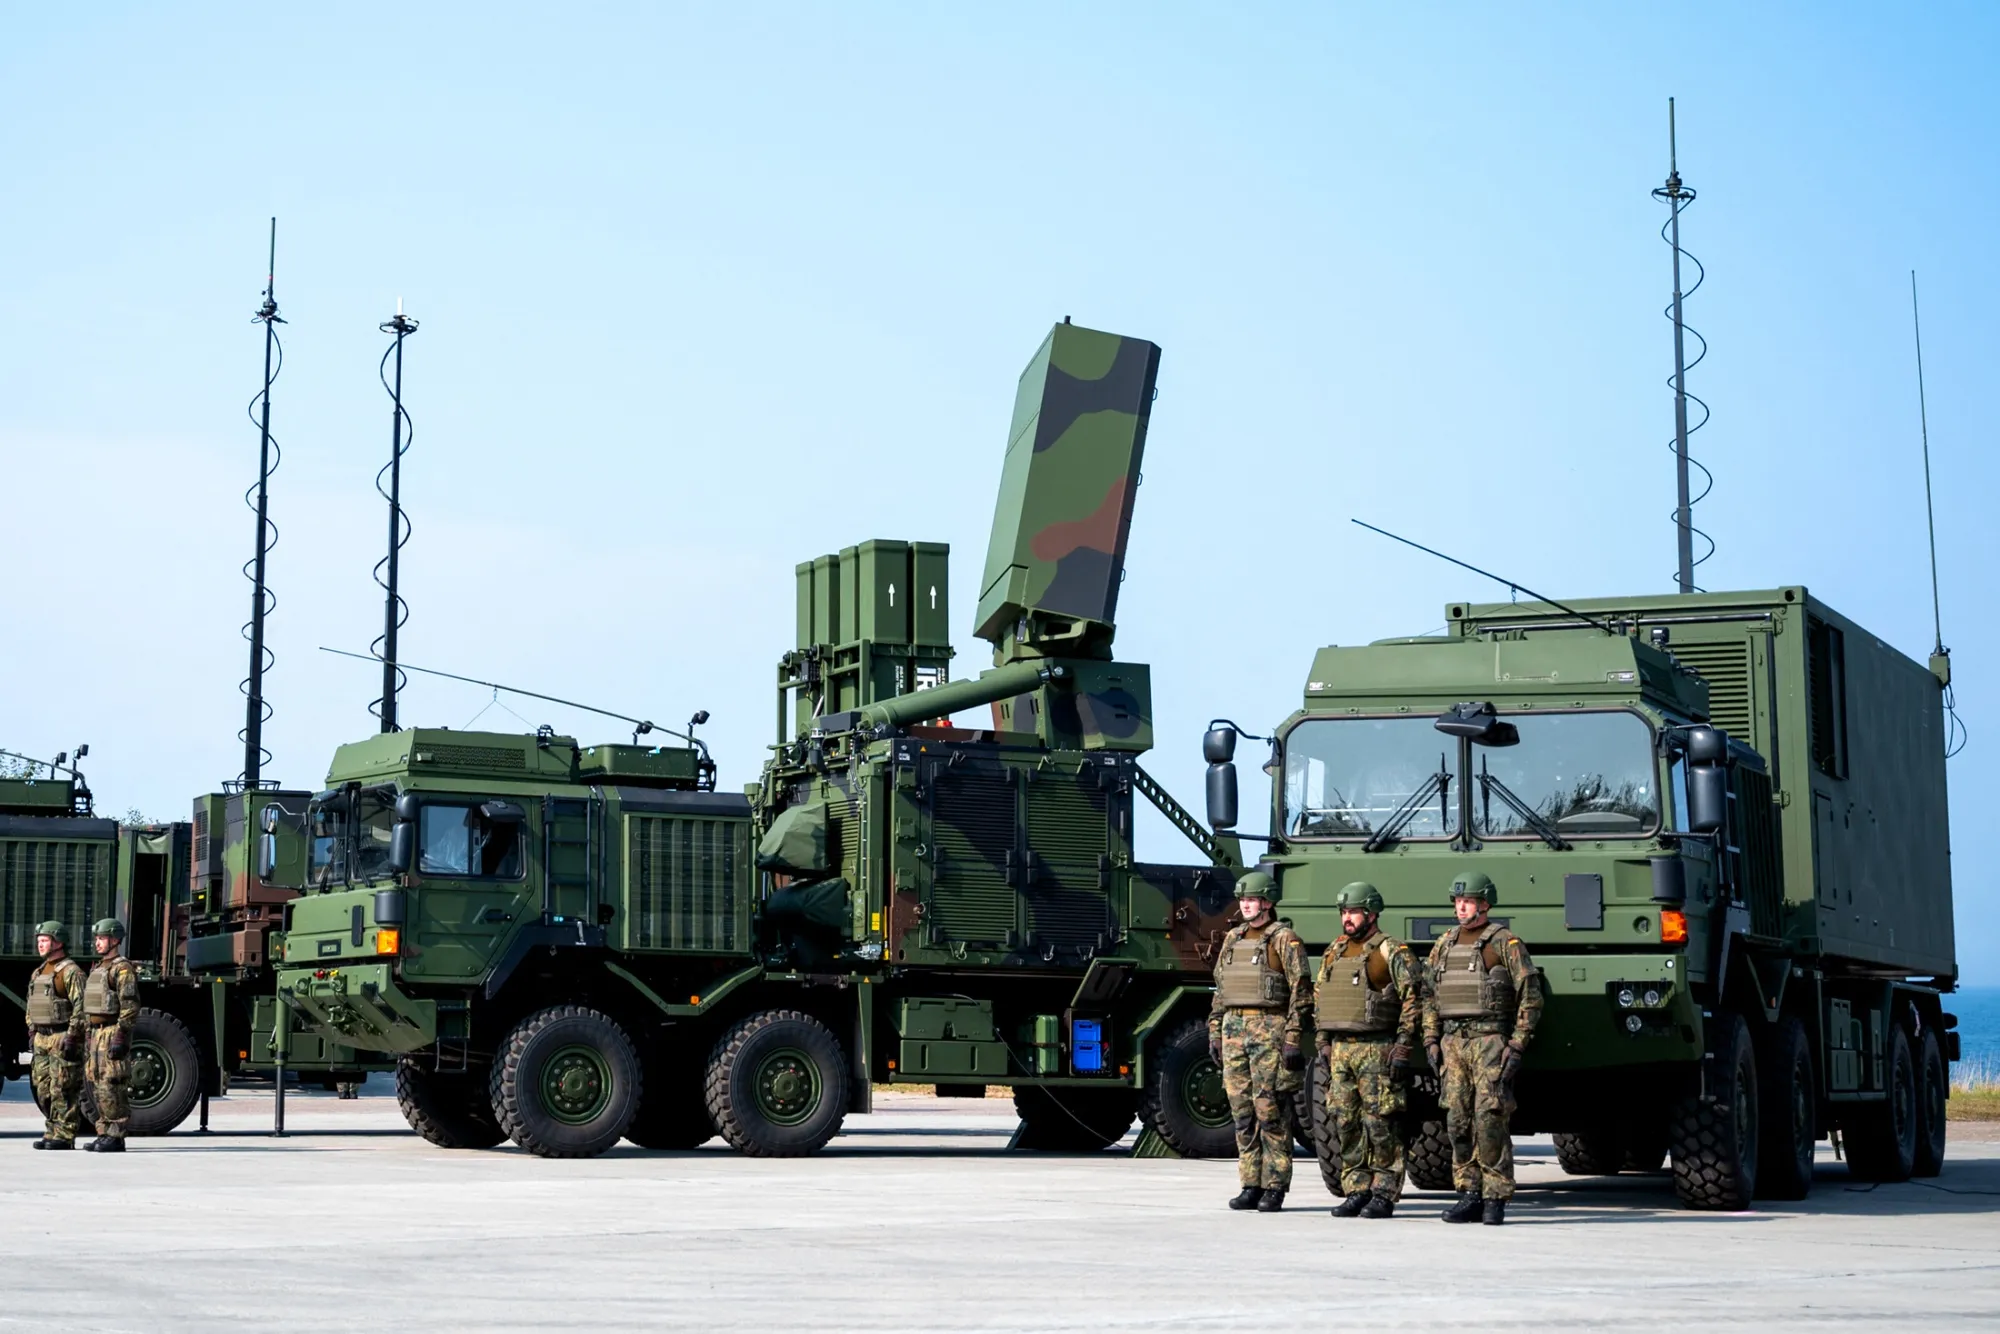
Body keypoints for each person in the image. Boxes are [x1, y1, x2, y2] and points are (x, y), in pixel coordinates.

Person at [1422, 872, 1542, 1225]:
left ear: (1485, 904)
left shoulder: (1505, 942)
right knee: (1457, 1120)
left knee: (1490, 1119)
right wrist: (1430, 1038)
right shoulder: (1444, 943)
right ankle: (1469, 1192)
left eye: (1469, 902)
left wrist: (1517, 1044)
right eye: (1458, 902)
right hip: (1453, 1043)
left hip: (1489, 1040)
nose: (1461, 908)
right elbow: (1428, 993)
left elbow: (1530, 995)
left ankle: (1495, 1196)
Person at [1207, 869, 1311, 1212]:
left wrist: (1293, 1037)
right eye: (1243, 899)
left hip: (1269, 1030)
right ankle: (1250, 1183)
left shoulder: (1284, 939)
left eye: (1252, 899)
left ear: (1267, 902)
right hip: (1234, 1029)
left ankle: (1275, 1186)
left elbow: (1301, 992)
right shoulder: (1233, 938)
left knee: (1271, 1111)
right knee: (1241, 1111)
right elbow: (1221, 988)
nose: (1246, 905)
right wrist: (1215, 1030)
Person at [1317, 881, 1421, 1219]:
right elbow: (1321, 997)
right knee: (1345, 1122)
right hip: (1341, 1051)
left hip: (1377, 1049)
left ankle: (1384, 1192)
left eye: (1354, 911)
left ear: (1372, 913)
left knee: (1381, 1125)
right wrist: (1322, 1041)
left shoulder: (1391, 950)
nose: (1347, 918)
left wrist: (1403, 1046)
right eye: (1344, 912)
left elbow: (1414, 999)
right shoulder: (1334, 950)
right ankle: (1356, 1189)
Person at [24, 920, 86, 1150]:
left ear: (58, 942)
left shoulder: (71, 972)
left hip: (61, 1036)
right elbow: (31, 1004)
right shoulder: (38, 972)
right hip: (41, 1037)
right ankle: (51, 1131)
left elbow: (81, 1006)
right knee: (43, 1089)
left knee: (63, 1088)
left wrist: (73, 1036)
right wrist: (32, 1029)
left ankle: (65, 1134)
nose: (40, 945)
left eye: (45, 940)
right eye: (39, 941)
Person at [81, 918, 141, 1152]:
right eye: (96, 938)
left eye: (102, 938)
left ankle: (116, 1135)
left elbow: (130, 1004)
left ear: (115, 940)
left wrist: (121, 1035)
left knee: (112, 1084)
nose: (97, 943)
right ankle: (104, 1132)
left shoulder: (122, 968)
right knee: (97, 1085)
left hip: (112, 1032)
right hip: (97, 1034)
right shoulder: (99, 968)